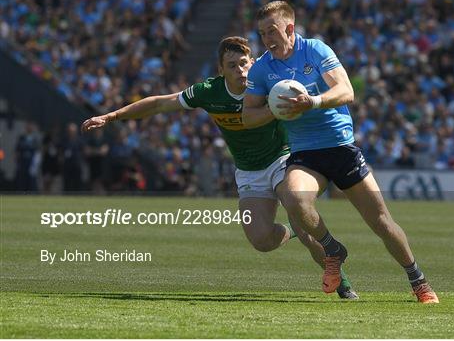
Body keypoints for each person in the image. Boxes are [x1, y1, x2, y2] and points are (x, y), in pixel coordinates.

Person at [81, 36, 358, 299]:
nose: (240, 70)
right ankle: (294, 228)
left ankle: (343, 284)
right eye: (232, 65)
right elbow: (159, 104)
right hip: (249, 171)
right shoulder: (208, 92)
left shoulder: (268, 83)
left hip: (283, 160)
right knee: (261, 240)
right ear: (221, 70)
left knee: (304, 221)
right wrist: (112, 116)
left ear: (253, 62)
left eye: (244, 63)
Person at [242, 1, 438, 303]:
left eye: (272, 31)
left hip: (340, 147)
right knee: (294, 199)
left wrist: (314, 102)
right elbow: (247, 117)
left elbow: (346, 91)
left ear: (289, 28)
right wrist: (274, 108)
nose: (267, 39)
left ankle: (418, 280)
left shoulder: (316, 50)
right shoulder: (262, 68)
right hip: (305, 153)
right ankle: (332, 249)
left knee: (381, 222)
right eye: (262, 33)